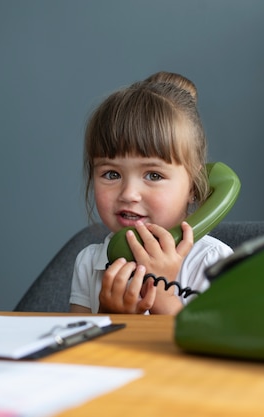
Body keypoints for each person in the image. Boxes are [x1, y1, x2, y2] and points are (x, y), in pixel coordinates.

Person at [69, 71, 233, 315]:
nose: (129, 194)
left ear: (193, 186)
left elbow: (214, 349)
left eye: (153, 175)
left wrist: (164, 298)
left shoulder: (212, 261)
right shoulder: (89, 263)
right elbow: (73, 352)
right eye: (112, 174)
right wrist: (108, 315)